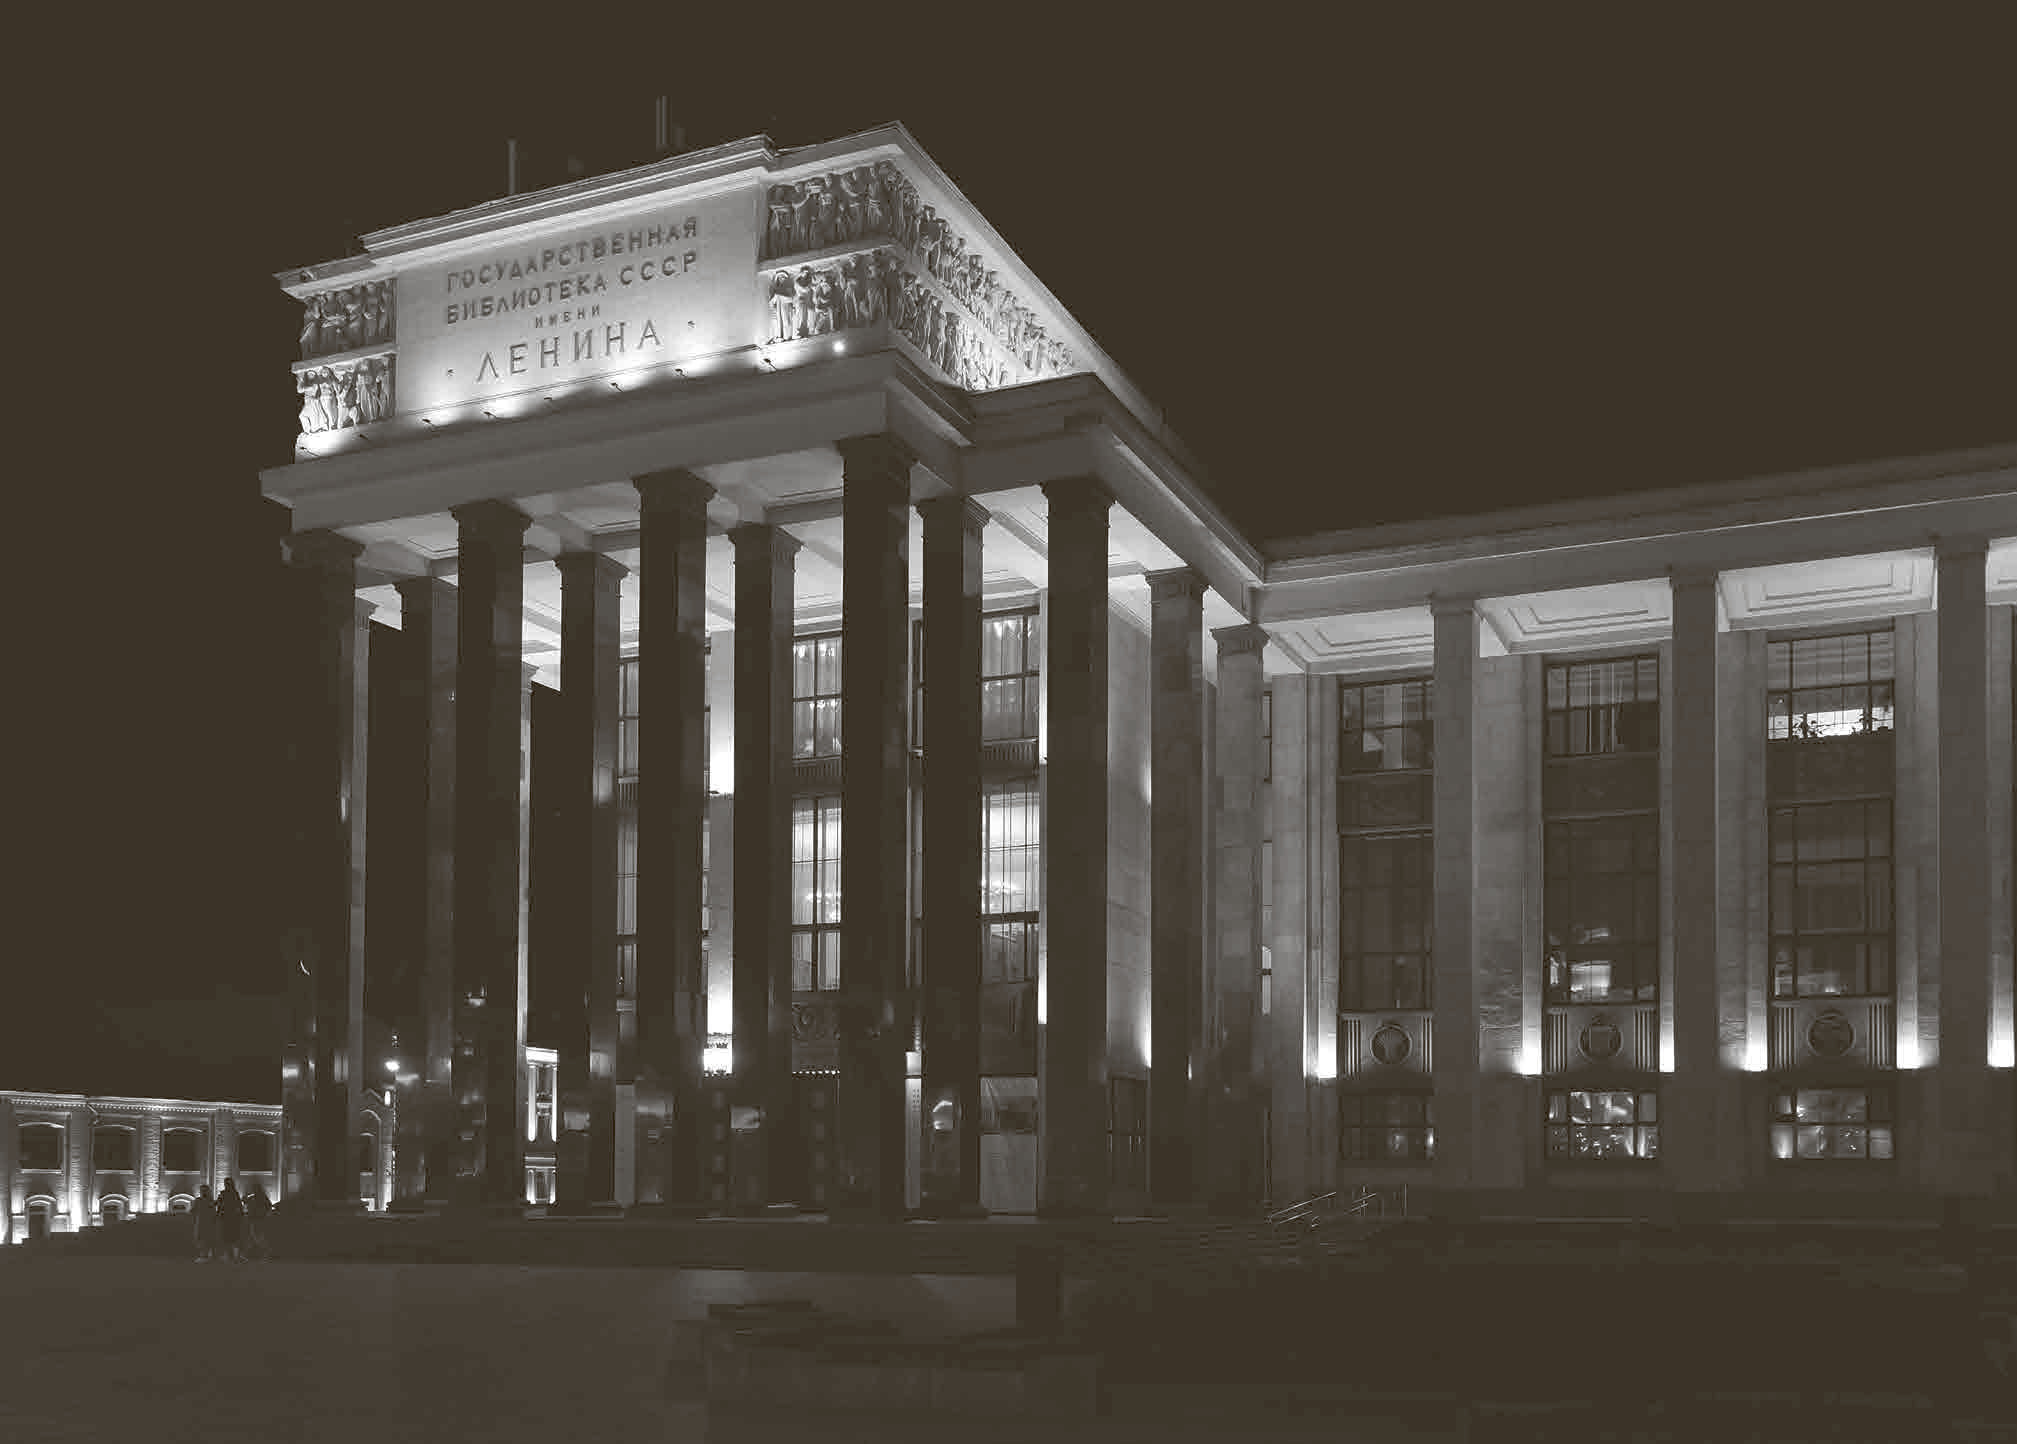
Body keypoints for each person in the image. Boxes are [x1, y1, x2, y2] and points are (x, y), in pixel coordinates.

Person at [217, 1179, 246, 1263]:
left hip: (227, 1217)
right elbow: (239, 1205)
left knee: (228, 1237)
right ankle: (234, 1255)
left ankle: (231, 1255)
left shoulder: (224, 1193)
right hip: (232, 1217)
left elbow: (220, 1205)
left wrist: (218, 1213)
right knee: (233, 1236)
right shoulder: (234, 1193)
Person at [246, 1183, 272, 1261]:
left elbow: (248, 1204)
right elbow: (269, 1206)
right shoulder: (261, 1197)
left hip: (256, 1219)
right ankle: (263, 1253)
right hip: (259, 1219)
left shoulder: (255, 1197)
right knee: (258, 1236)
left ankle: (263, 1253)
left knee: (257, 1236)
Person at [193, 1184, 218, 1263]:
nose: (203, 1192)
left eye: (204, 1191)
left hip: (206, 1223)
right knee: (202, 1239)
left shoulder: (208, 1201)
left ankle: (205, 1255)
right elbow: (194, 1210)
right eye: (202, 1191)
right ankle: (204, 1255)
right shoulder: (200, 1200)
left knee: (206, 1239)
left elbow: (213, 1212)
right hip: (202, 1222)